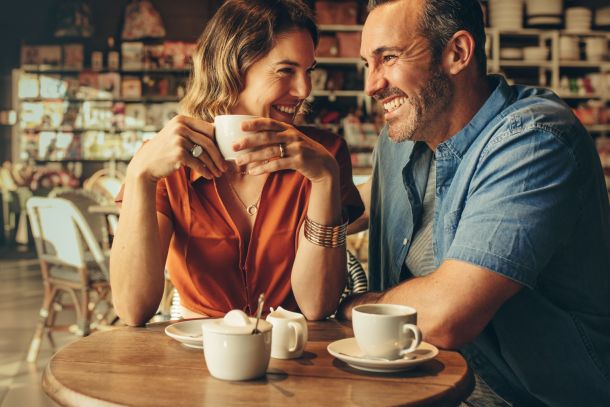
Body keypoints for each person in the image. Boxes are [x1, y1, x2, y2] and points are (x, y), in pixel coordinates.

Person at [340, 0, 610, 405]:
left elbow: (446, 316)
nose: (372, 85)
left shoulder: (534, 140)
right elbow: (365, 203)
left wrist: (353, 305)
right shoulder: (401, 139)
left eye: (389, 58)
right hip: (423, 387)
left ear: (457, 53)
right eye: (367, 64)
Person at [110, 0, 363, 326]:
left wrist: (326, 178)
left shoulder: (324, 155)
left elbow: (316, 305)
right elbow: (132, 309)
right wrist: (140, 175)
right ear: (231, 67)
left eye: (309, 70)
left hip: (296, 361)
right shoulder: (166, 161)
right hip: (197, 358)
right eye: (286, 70)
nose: (304, 90)